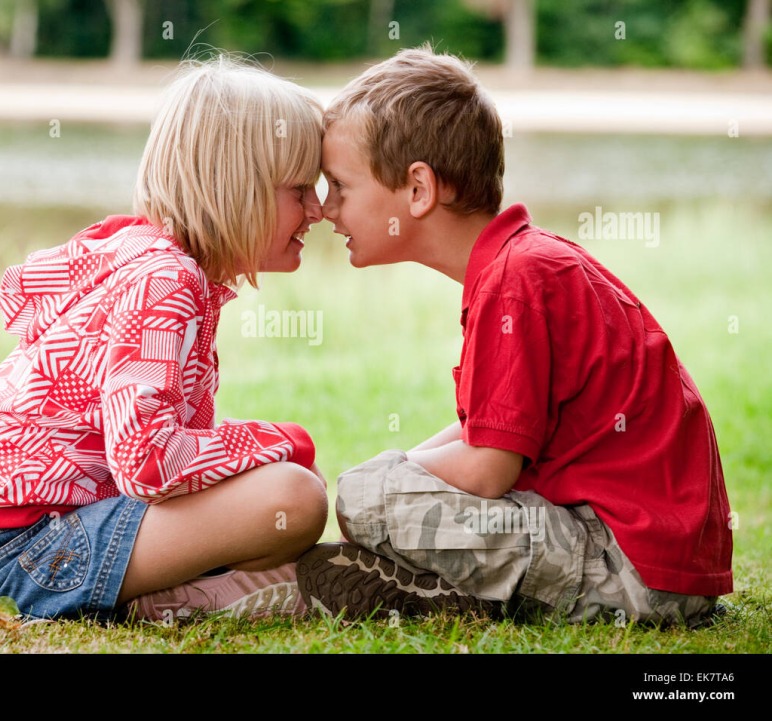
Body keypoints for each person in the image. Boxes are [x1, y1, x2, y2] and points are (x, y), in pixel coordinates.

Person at [296, 45, 733, 627]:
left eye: (340, 187)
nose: (327, 210)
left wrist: (383, 481)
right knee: (376, 486)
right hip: (652, 561)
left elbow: (488, 469)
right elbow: (489, 430)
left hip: (632, 571)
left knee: (362, 496)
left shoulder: (516, 280)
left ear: (419, 190)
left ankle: (443, 595)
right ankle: (429, 576)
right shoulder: (519, 264)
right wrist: (396, 468)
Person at [0, 54, 329, 624]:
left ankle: (218, 587)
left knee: (283, 494)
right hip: (6, 559)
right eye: (299, 190)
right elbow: (149, 464)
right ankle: (182, 599)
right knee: (294, 495)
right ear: (237, 188)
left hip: (2, 549)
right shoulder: (165, 282)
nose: (316, 209)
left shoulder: (160, 266)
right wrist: (279, 441)